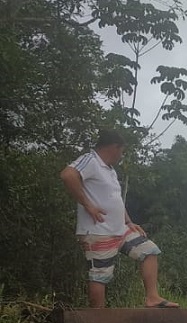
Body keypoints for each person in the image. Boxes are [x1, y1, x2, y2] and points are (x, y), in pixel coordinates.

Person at [60, 130, 178, 309]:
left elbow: (115, 199)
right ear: (114, 147)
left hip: (120, 229)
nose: (121, 155)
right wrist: (88, 205)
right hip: (98, 232)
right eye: (121, 151)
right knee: (100, 275)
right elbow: (68, 175)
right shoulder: (91, 160)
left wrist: (129, 222)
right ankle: (98, 321)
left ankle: (152, 298)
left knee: (149, 251)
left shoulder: (110, 170)